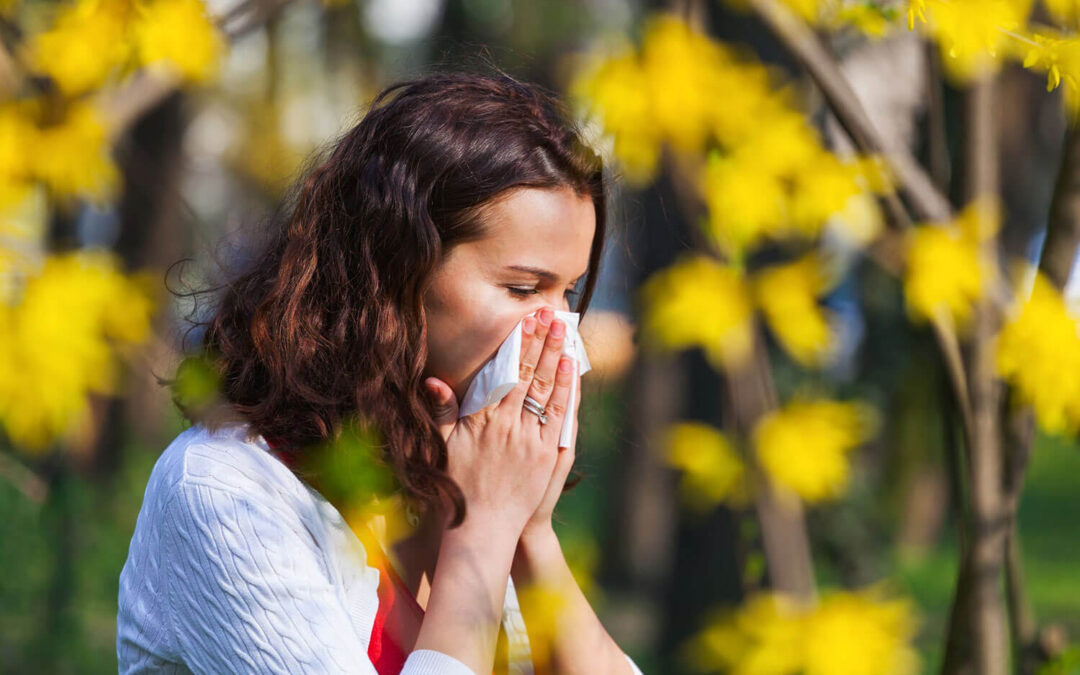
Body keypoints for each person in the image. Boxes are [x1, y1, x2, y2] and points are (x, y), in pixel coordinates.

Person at [116, 69, 643, 675]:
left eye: (568, 295)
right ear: (395, 271)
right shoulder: (225, 492)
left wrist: (529, 532)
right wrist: (486, 529)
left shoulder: (454, 481)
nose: (559, 335)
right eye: (523, 288)